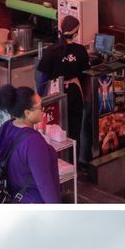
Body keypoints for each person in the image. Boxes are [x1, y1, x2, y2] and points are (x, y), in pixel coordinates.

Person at [0, 86, 61, 203]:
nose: (43, 110)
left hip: (14, 197)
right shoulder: (34, 142)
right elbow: (45, 184)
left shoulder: (6, 127)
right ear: (27, 113)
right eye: (40, 107)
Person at [37, 17, 91, 151]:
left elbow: (42, 78)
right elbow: (85, 75)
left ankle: (58, 161)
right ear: (75, 33)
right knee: (74, 131)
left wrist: (39, 97)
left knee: (54, 130)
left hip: (54, 94)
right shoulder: (80, 51)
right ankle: (75, 163)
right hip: (74, 93)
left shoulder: (50, 51)